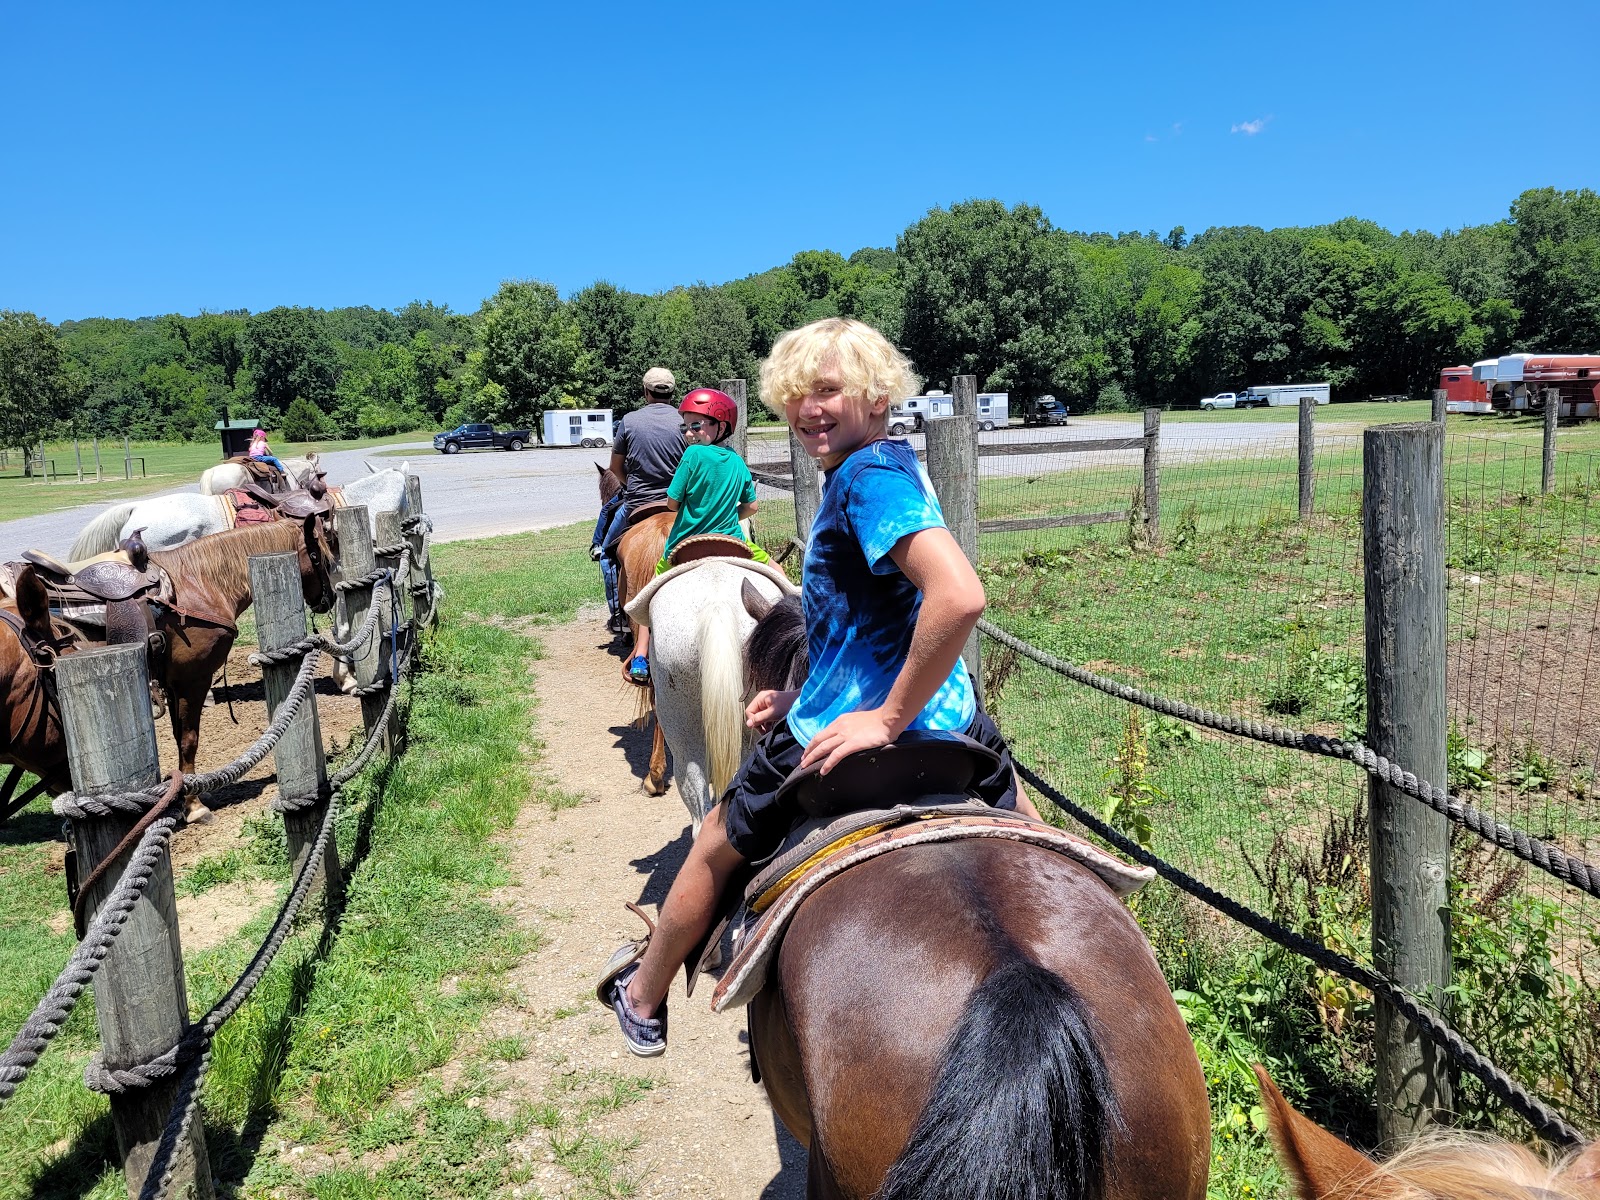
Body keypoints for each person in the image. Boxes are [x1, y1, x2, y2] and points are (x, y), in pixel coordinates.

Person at [600, 317, 1042, 1056]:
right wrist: (798, 693)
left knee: (712, 842)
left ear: (875, 394)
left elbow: (959, 595)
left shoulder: (866, 481)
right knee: (1042, 842)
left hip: (866, 732)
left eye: (829, 390)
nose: (810, 407)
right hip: (958, 726)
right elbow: (860, 619)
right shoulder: (888, 462)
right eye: (797, 393)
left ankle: (643, 995)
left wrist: (884, 718)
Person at [627, 388, 768, 676]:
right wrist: (729, 514)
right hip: (731, 541)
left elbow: (672, 502)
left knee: (650, 593)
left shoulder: (691, 455)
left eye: (696, 425)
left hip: (685, 543)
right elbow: (752, 506)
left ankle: (641, 655)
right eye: (686, 426)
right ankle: (798, 620)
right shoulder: (738, 461)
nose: (689, 433)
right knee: (777, 574)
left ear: (720, 426)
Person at [601, 367, 686, 673]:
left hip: (638, 505)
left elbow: (615, 467)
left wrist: (630, 488)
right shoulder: (685, 421)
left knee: (609, 553)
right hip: (680, 509)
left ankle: (621, 619)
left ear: (646, 392)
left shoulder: (629, 421)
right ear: (672, 393)